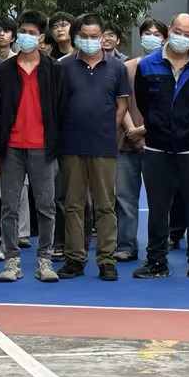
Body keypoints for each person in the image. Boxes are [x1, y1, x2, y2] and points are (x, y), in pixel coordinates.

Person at [134, 13, 189, 280]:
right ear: (169, 30)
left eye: (188, 34)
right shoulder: (147, 65)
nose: (182, 37)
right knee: (158, 208)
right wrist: (157, 126)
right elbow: (144, 102)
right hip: (157, 147)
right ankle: (156, 261)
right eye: (178, 31)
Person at [55, 14, 129, 281]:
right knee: (73, 205)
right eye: (84, 36)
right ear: (76, 37)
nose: (89, 41)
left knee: (105, 205)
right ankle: (75, 258)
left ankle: (107, 260)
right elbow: (57, 105)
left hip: (103, 146)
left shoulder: (117, 67)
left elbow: (122, 105)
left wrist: (108, 130)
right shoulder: (63, 66)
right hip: (71, 145)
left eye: (94, 36)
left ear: (103, 37)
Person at [0, 11, 64, 283]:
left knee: (46, 207)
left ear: (41, 37)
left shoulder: (54, 69)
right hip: (11, 147)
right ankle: (11, 260)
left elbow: (60, 109)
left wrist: (56, 145)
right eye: (23, 31)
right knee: (9, 207)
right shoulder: (5, 70)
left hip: (43, 148)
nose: (26, 36)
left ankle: (44, 260)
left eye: (32, 33)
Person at [116, 19, 165, 262]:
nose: (152, 37)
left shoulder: (169, 69)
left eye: (157, 34)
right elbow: (121, 103)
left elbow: (168, 108)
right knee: (125, 198)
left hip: (158, 143)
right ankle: (126, 245)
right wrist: (132, 131)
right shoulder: (127, 67)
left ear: (164, 39)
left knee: (160, 201)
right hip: (127, 142)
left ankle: (158, 249)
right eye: (148, 33)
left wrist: (144, 130)